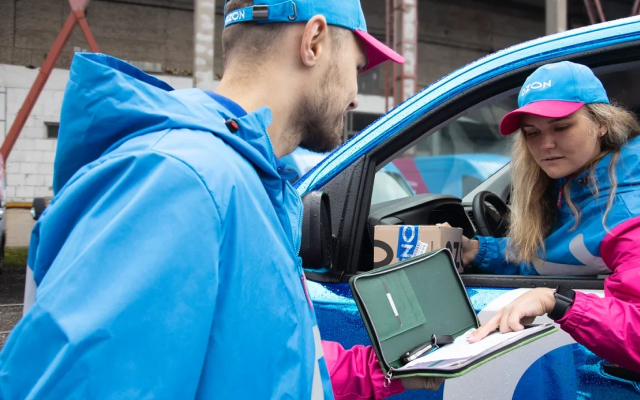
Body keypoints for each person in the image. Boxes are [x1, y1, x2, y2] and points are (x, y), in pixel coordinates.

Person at [0, 0, 443, 398]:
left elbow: (265, 360)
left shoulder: (247, 182)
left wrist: (381, 369)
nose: (354, 93)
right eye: (359, 64)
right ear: (314, 41)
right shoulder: (183, 182)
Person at [461, 61, 640, 378]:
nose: (546, 145)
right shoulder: (576, 182)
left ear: (600, 123)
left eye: (561, 127)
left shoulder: (633, 210)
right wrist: (478, 251)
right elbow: (562, 255)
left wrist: (558, 302)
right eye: (532, 133)